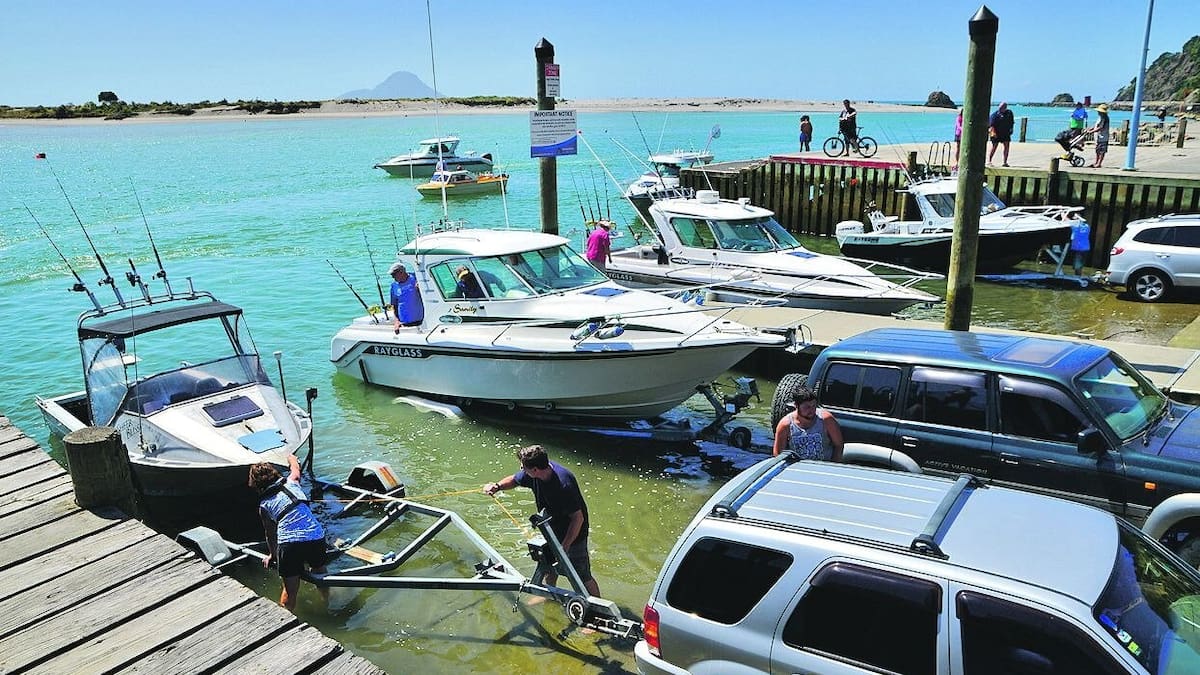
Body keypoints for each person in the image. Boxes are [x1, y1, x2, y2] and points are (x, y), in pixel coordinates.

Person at [483, 445, 599, 597]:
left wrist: (565, 546)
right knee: (548, 564)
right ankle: (550, 595)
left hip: (573, 534)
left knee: (582, 574)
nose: (521, 469)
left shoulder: (564, 484)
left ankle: (600, 606)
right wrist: (497, 486)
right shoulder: (533, 474)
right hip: (550, 530)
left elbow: (578, 519)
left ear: (535, 470)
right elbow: (514, 480)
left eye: (523, 467)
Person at [249, 455, 328, 610]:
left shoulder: (264, 505)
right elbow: (296, 469)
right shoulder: (292, 482)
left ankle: (286, 617)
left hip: (290, 544)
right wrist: (291, 457)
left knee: (290, 592)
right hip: (315, 537)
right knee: (320, 573)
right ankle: (326, 602)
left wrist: (273, 555)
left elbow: (270, 534)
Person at [772, 386, 845, 460]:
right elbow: (778, 454)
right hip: (798, 467)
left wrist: (833, 464)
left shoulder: (826, 419)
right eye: (806, 407)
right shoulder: (785, 425)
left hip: (824, 465)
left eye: (814, 406)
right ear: (796, 406)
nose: (811, 410)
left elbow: (839, 445)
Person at [389, 261, 423, 331]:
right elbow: (394, 306)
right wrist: (396, 322)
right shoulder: (394, 286)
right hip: (404, 323)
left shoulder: (416, 278)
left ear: (401, 272)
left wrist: (421, 288)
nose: (393, 277)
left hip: (421, 321)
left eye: (394, 275)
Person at [987, 101, 1015, 167]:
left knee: (1006, 146)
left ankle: (1005, 162)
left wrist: (1011, 129)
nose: (1000, 109)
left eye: (1002, 108)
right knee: (994, 147)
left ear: (1005, 108)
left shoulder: (1009, 113)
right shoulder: (994, 115)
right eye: (1000, 107)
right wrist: (993, 134)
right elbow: (991, 126)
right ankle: (989, 161)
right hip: (996, 133)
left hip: (1005, 133)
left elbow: (1012, 122)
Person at [1068, 212, 1091, 277]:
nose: (1072, 218)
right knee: (1079, 265)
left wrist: (1062, 213)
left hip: (1078, 248)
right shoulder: (1087, 226)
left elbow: (1066, 220)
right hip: (1086, 248)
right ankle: (1078, 276)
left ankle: (1077, 278)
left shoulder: (1075, 226)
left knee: (1077, 266)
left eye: (1074, 217)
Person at [1089, 103, 1111, 168]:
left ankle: (1099, 163)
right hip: (1098, 137)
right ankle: (1096, 162)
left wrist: (1092, 131)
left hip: (1103, 137)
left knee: (1102, 151)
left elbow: (1101, 127)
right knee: (1097, 150)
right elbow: (1097, 125)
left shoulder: (1105, 118)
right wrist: (1092, 128)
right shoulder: (1100, 117)